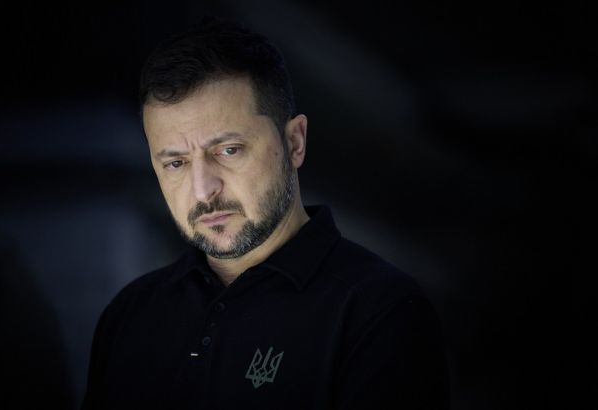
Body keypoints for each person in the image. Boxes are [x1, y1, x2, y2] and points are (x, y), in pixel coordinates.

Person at [82, 17, 449, 410]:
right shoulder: (130, 314)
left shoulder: (381, 312)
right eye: (176, 163)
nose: (203, 189)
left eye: (228, 150)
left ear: (294, 142)